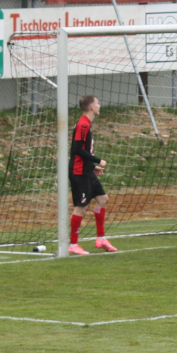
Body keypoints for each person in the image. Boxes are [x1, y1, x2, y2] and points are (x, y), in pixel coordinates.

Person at [68, 94, 116, 255]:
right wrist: (98, 160)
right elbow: (76, 149)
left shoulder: (87, 123)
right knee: (81, 207)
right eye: (98, 103)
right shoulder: (83, 124)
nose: (100, 105)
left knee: (103, 199)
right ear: (91, 107)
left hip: (86, 170)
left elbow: (83, 151)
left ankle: (101, 238)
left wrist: (92, 166)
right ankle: (73, 245)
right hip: (79, 172)